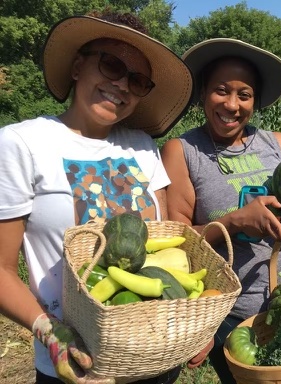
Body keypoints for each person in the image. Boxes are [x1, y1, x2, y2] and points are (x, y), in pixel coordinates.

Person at [0, 10, 211, 384]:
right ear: (78, 66)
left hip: (155, 356)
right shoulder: (21, 143)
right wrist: (49, 332)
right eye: (111, 64)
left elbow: (165, 244)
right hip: (77, 366)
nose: (123, 84)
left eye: (138, 79)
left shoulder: (143, 148)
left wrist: (193, 319)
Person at [160, 38, 281, 384]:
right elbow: (176, 243)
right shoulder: (182, 151)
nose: (231, 105)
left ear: (255, 101)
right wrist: (232, 222)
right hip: (240, 318)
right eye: (221, 90)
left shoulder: (279, 143)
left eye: (244, 95)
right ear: (203, 93)